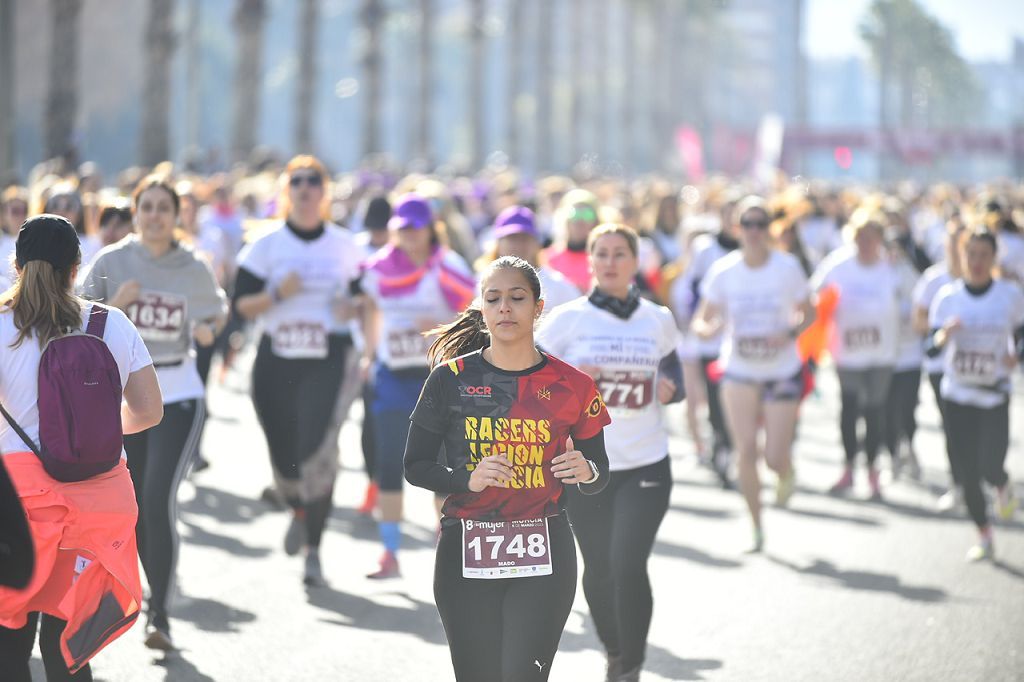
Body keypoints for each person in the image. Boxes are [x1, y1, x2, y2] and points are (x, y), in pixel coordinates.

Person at [405, 255, 611, 682]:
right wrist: (467, 479)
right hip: (467, 552)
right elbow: (415, 466)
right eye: (493, 298)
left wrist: (586, 470)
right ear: (481, 309)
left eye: (517, 298)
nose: (504, 308)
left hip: (543, 553)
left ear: (537, 307)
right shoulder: (450, 378)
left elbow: (599, 471)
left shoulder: (574, 385)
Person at [0, 215, 163, 681]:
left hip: (20, 506)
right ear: (76, 268)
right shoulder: (109, 323)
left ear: (17, 265)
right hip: (97, 506)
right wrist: (96, 434)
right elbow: (149, 411)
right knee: (67, 647)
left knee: (10, 643)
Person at [82, 176, 227, 650]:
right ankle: (115, 597)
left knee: (157, 498)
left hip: (177, 392)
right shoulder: (112, 260)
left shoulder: (193, 267)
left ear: (178, 214)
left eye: (165, 208)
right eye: (148, 207)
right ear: (136, 211)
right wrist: (113, 306)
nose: (156, 216)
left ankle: (159, 615)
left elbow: (216, 313)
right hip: (120, 395)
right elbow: (76, 318)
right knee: (130, 503)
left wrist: (208, 329)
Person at [537, 224, 683, 681]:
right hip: (586, 467)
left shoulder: (657, 318)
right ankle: (616, 649)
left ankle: (631, 667)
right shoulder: (567, 319)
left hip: (646, 461)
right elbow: (532, 377)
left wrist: (670, 389)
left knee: (628, 561)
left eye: (621, 253)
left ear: (635, 262)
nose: (611, 261)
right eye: (602, 253)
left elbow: (674, 373)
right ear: (592, 261)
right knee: (599, 569)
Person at [233, 156, 364, 587]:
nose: (305, 189)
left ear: (325, 192)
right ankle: (295, 503)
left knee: (316, 450)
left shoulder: (346, 246)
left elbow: (367, 301)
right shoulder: (265, 246)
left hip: (328, 358)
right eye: (297, 183)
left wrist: (354, 307)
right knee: (284, 455)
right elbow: (241, 305)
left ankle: (313, 550)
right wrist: (275, 294)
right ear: (285, 192)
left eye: (314, 182)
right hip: (276, 358)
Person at [354, 193, 475, 578]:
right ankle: (390, 553)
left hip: (439, 379)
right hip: (393, 376)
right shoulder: (378, 267)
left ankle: (447, 543)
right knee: (390, 461)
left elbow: (472, 315)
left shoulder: (450, 267)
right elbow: (370, 309)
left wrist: (438, 322)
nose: (408, 235)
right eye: (401, 228)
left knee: (442, 462)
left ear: (429, 229)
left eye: (414, 228)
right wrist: (369, 353)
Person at [693, 198, 815, 552]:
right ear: (738, 228)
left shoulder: (787, 267)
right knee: (745, 448)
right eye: (748, 223)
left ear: (770, 229)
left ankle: (785, 471)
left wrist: (790, 333)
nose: (755, 231)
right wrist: (708, 327)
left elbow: (810, 313)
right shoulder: (725, 270)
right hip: (739, 370)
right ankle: (757, 525)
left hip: (781, 370)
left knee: (774, 456)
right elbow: (702, 319)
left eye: (762, 224)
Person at [928, 228, 1024, 561]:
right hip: (957, 394)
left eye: (984, 255)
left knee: (990, 465)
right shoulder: (947, 297)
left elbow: (1022, 332)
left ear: (993, 258)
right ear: (962, 256)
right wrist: (943, 335)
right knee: (967, 471)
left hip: (994, 393)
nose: (978, 261)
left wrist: (1018, 355)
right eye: (972, 255)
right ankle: (984, 534)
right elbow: (929, 346)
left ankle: (1001, 483)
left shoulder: (1009, 295)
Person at [811, 210, 901, 499]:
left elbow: (912, 299)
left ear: (880, 241)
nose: (865, 243)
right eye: (860, 237)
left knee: (874, 411)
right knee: (849, 410)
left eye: (872, 238)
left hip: (881, 354)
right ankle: (849, 468)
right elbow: (814, 294)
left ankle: (873, 471)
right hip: (847, 352)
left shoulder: (892, 267)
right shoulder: (838, 264)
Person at [912, 218, 966, 510]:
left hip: (975, 370)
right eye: (953, 244)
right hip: (940, 367)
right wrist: (942, 332)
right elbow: (918, 321)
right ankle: (959, 484)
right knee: (951, 426)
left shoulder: (988, 280)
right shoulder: (934, 280)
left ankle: (980, 478)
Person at [478, 205, 580, 314]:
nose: (518, 245)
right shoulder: (481, 283)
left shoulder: (560, 288)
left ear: (536, 243)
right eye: (512, 238)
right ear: (498, 244)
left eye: (524, 238)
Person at [543, 189, 601, 293]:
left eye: (587, 214)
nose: (580, 220)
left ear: (596, 221)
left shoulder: (603, 258)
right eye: (574, 213)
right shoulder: (547, 257)